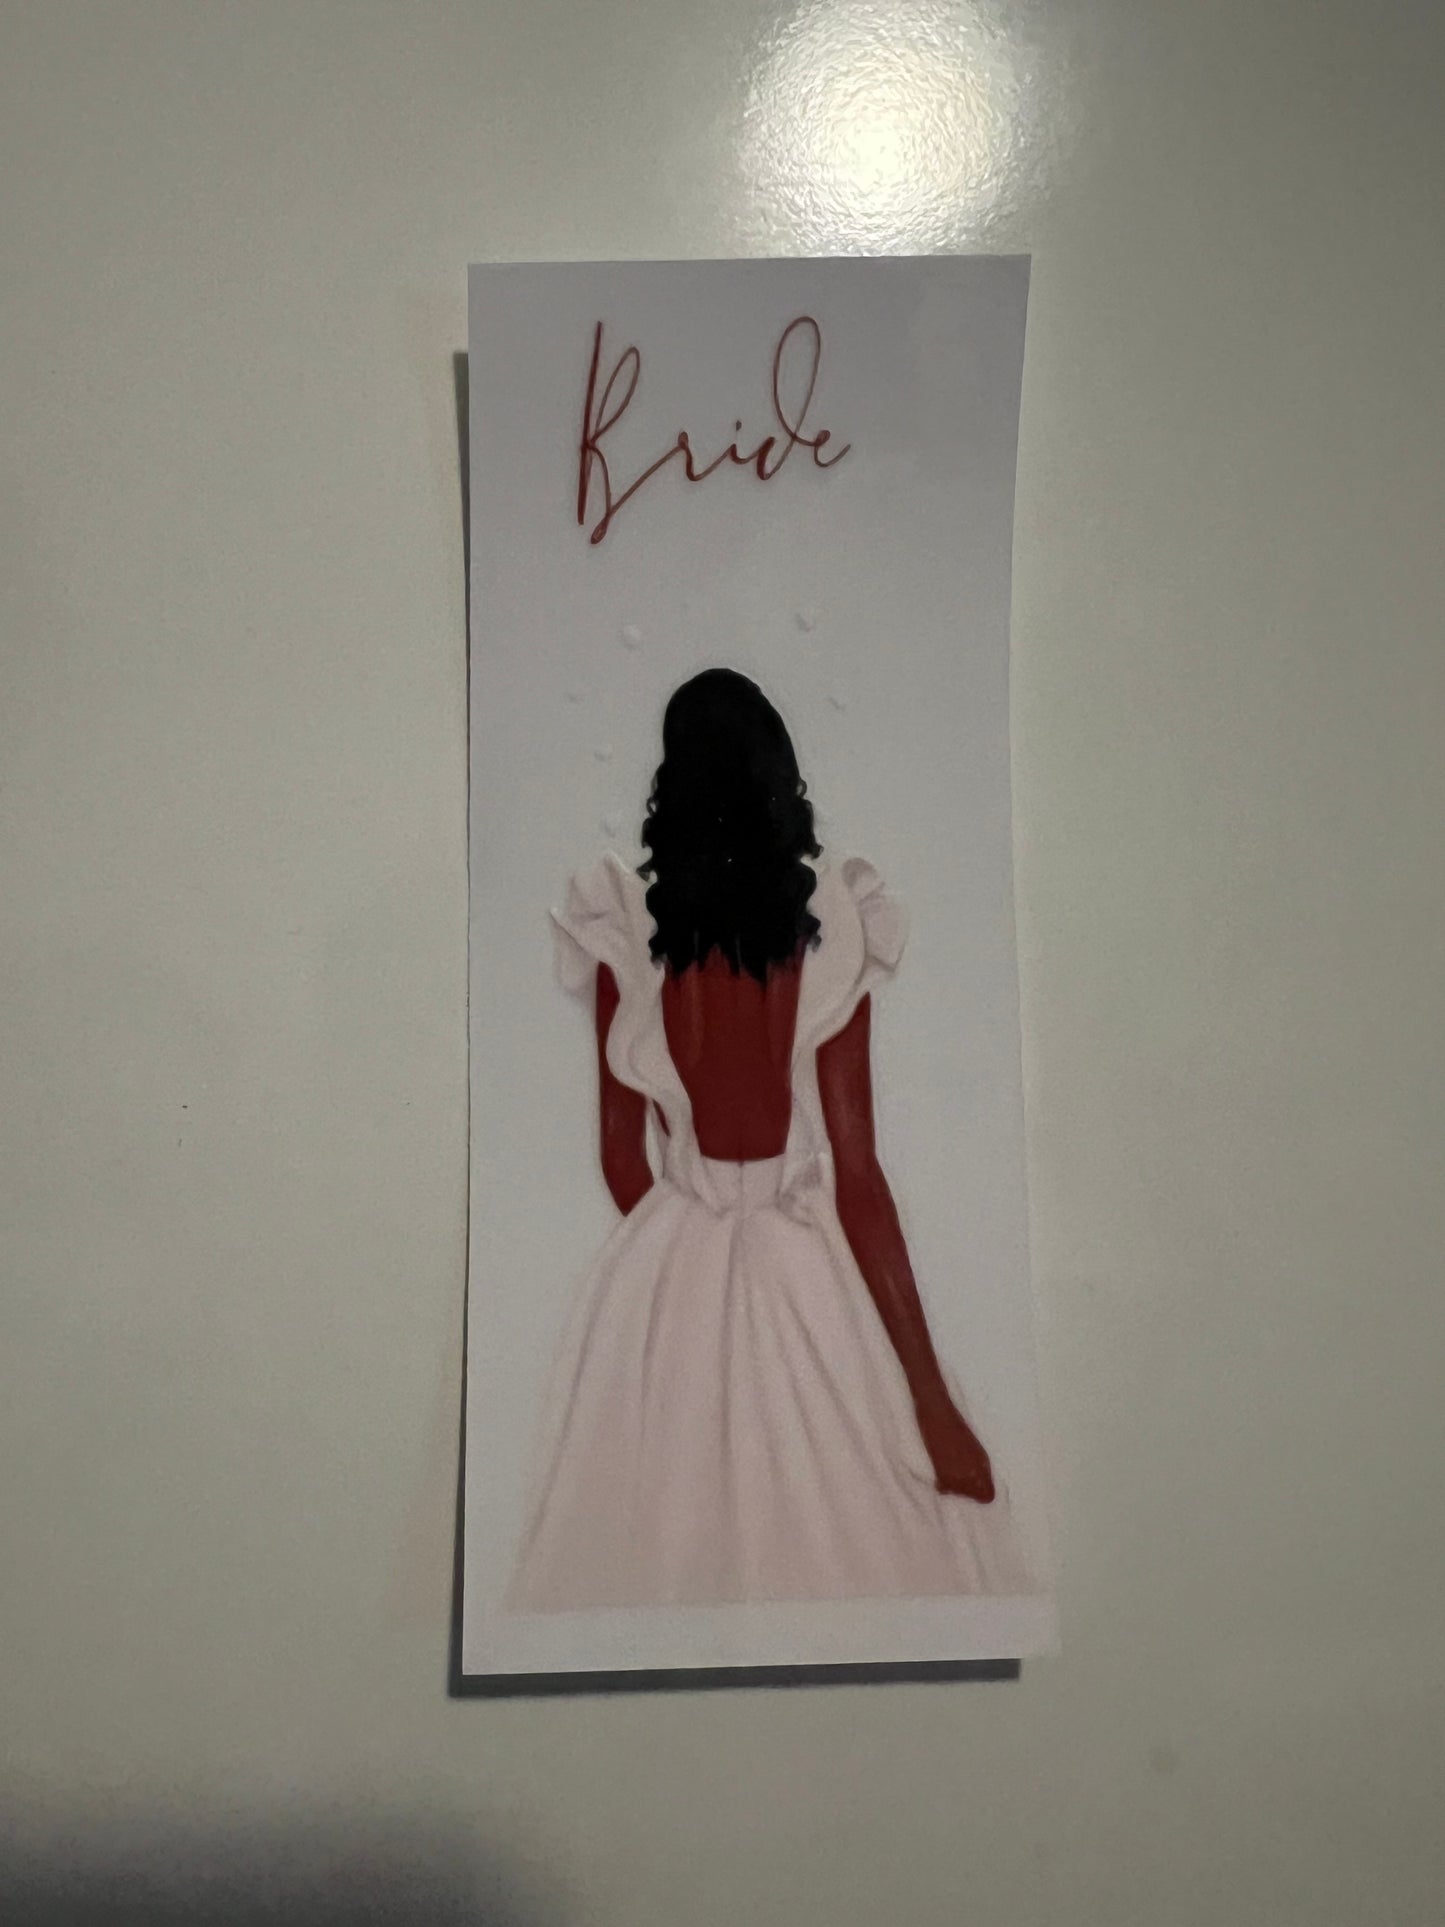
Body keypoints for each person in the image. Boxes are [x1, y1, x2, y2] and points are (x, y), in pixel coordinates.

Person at [507, 668, 1028, 1610]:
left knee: (655, 1547)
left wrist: (683, 1270)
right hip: (804, 1253)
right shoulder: (828, 934)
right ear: (778, 778)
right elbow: (858, 1176)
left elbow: (621, 1159)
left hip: (668, 1256)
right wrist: (931, 1401)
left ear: (670, 787)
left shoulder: (629, 934)